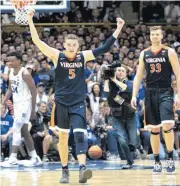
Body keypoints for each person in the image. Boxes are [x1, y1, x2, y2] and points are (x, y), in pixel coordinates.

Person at [28, 8, 125, 184]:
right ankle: (64, 170)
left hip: (78, 103)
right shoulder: (57, 56)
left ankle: (81, 169)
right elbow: (37, 40)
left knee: (80, 135)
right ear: (64, 45)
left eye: (74, 45)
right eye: (69, 45)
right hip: (61, 103)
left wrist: (118, 29)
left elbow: (105, 47)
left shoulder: (82, 56)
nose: (72, 47)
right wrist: (30, 20)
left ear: (78, 46)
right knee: (63, 138)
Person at [131, 26, 180, 173]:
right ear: (150, 36)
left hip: (166, 91)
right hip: (150, 92)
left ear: (162, 36)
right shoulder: (144, 54)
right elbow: (138, 76)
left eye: (158, 34)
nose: (155, 37)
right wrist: (134, 95)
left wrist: (178, 95)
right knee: (153, 128)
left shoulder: (169, 52)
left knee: (168, 124)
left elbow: (178, 74)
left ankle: (170, 158)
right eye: (153, 34)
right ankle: (157, 161)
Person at [1, 52, 42, 167]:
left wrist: (33, 109)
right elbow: (10, 89)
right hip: (17, 103)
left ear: (19, 60)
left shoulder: (25, 73)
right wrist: (3, 103)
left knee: (16, 127)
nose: (9, 63)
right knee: (24, 131)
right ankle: (35, 157)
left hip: (26, 103)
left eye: (12, 60)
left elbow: (34, 91)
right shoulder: (10, 72)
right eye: (8, 61)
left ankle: (13, 158)